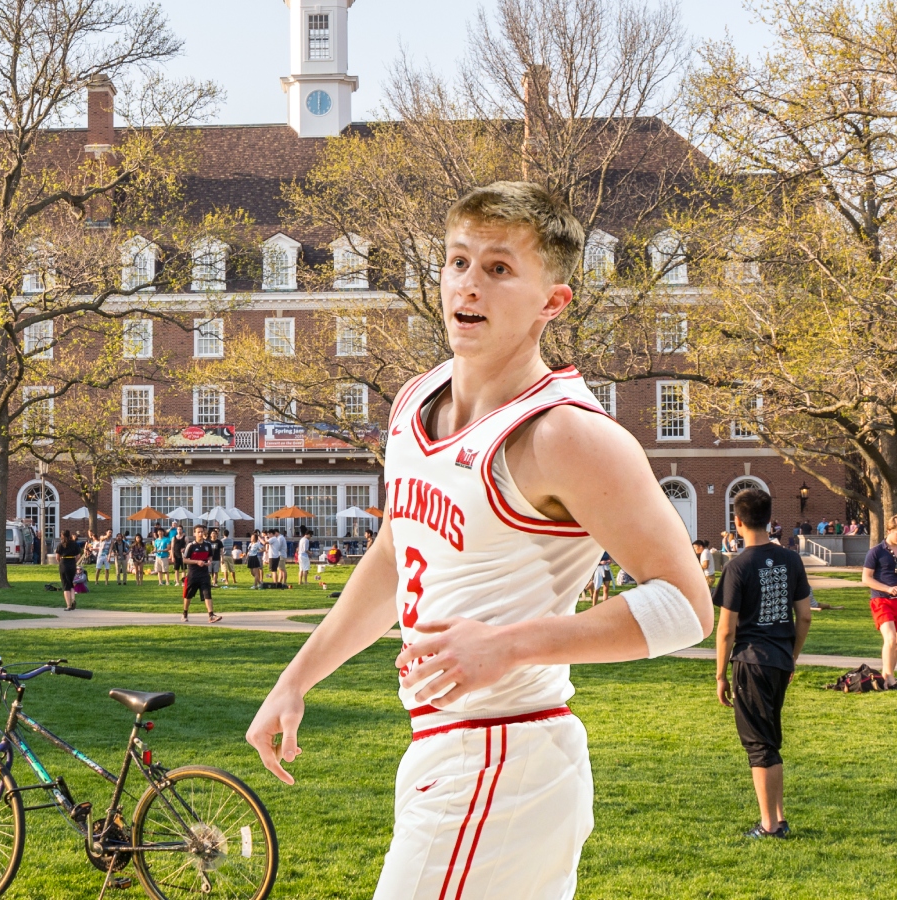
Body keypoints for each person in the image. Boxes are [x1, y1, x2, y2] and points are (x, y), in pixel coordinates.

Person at [244, 182, 712, 899]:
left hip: (503, 752)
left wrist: (510, 646)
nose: (469, 284)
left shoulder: (564, 434)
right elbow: (396, 554)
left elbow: (686, 606)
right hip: (450, 750)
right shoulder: (414, 400)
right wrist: (297, 677)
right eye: (458, 261)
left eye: (499, 269)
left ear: (553, 302)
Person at [712, 488, 812, 839]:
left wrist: (720, 675)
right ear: (769, 519)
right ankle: (779, 818)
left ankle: (769, 825)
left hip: (750, 661)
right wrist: (792, 657)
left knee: (759, 745)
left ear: (737, 522)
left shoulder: (737, 566)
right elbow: (804, 617)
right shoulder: (791, 560)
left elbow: (727, 629)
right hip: (780, 660)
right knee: (769, 740)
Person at [862, 515, 897, 683]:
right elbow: (866, 578)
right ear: (889, 530)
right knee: (890, 638)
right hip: (881, 599)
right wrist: (887, 588)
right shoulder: (876, 551)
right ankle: (888, 676)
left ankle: (887, 675)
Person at [181, 525, 222, 624]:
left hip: (204, 574)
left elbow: (210, 557)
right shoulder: (191, 546)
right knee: (188, 595)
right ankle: (185, 613)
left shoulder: (208, 545)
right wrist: (197, 562)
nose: (200, 534)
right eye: (198, 532)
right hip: (193, 574)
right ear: (194, 533)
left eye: (202, 532)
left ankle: (211, 615)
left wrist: (209, 562)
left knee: (207, 593)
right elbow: (185, 560)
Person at [57, 531, 82, 611]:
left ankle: (68, 605)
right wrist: (74, 561)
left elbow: (57, 557)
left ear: (62, 536)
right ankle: (73, 600)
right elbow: (78, 556)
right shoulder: (74, 544)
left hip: (64, 563)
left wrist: (60, 562)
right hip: (72, 563)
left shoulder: (60, 545)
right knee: (71, 584)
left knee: (65, 585)